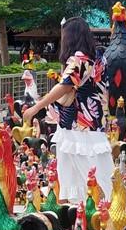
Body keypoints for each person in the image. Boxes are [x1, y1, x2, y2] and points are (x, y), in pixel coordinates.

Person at [24, 17, 113, 204]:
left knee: (77, 171)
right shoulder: (99, 57)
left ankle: (82, 208)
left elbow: (65, 85)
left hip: (77, 123)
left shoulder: (79, 58)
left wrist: (36, 107)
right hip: (94, 120)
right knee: (96, 167)